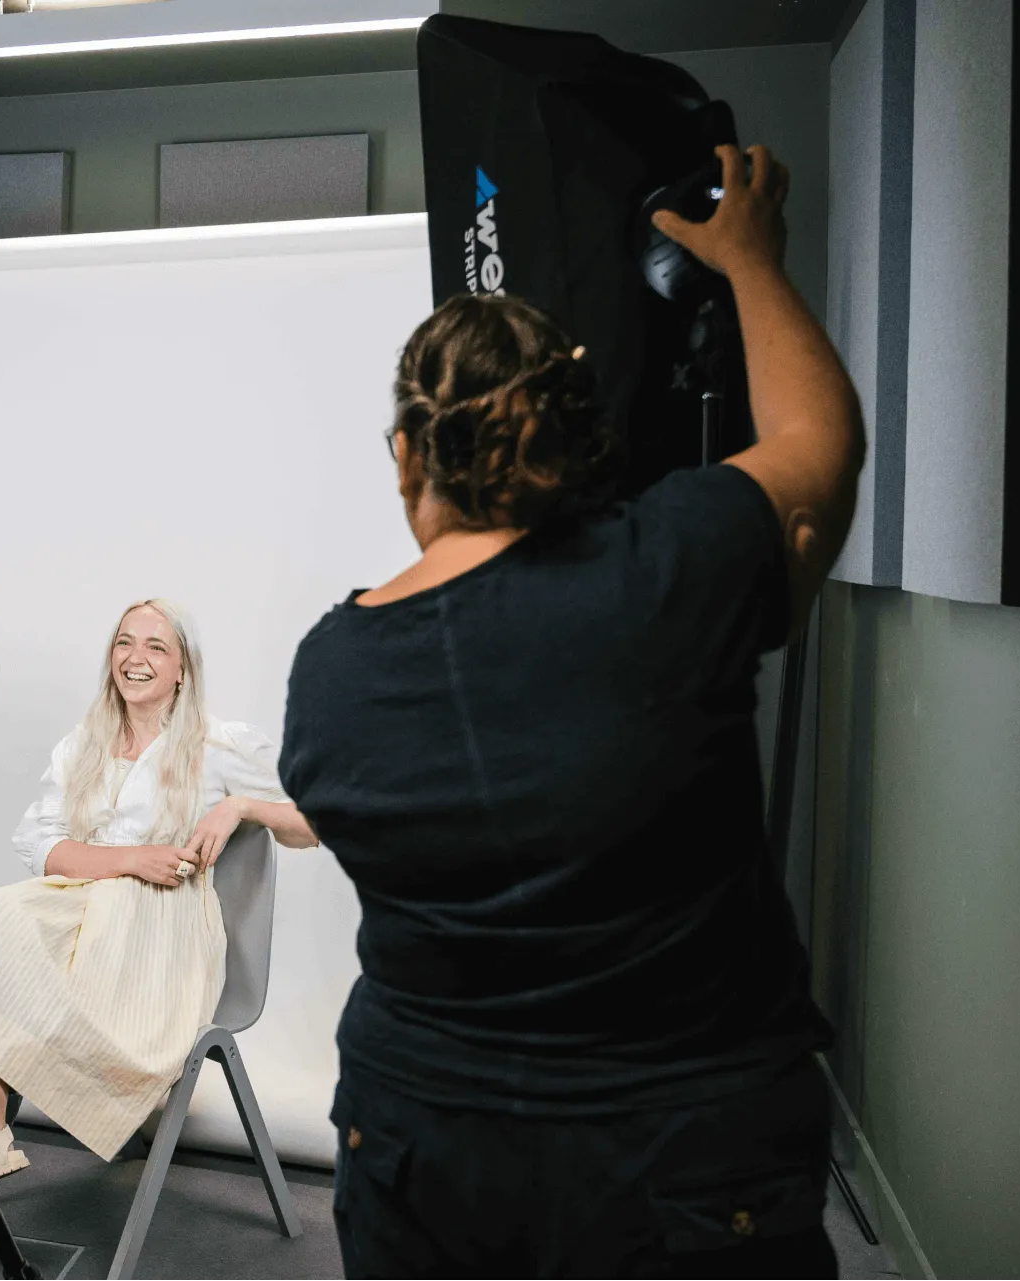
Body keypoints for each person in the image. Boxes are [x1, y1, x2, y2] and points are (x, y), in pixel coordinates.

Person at [279, 144, 864, 1279]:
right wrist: (750, 262)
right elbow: (819, 451)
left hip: (422, 1150)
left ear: (407, 456)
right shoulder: (678, 564)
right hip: (686, 1158)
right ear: (578, 433)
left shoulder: (332, 667)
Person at [0, 598, 318, 1280]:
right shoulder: (84, 741)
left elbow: (310, 823)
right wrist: (128, 858)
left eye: (155, 646)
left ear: (182, 669)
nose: (135, 657)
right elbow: (42, 845)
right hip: (78, 909)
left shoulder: (220, 744)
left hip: (158, 935)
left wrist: (240, 805)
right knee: (0, 920)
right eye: (123, 642)